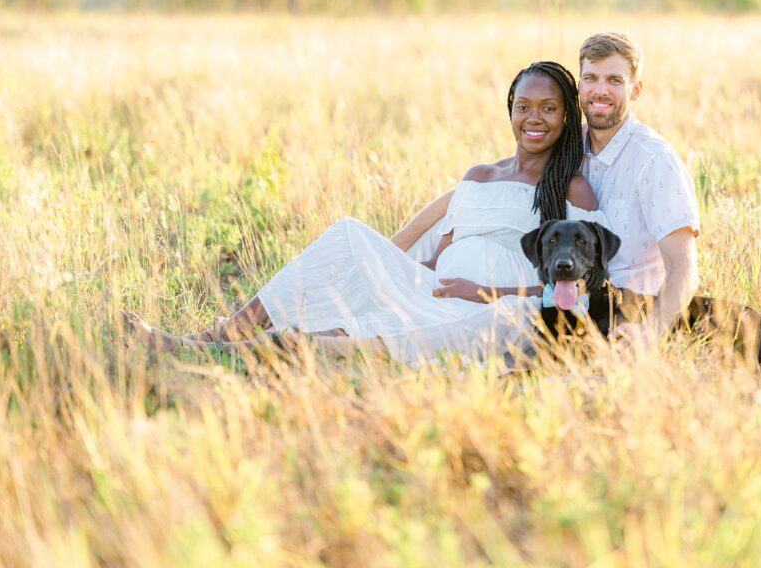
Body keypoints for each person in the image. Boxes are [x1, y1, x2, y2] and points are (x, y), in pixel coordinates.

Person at [125, 62, 607, 365]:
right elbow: (443, 254)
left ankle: (264, 350)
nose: (534, 118)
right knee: (351, 237)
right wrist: (395, 276)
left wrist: (481, 291)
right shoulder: (479, 175)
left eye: (549, 108)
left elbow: (579, 282)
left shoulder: (571, 188)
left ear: (567, 117)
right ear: (510, 111)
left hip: (496, 305)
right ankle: (221, 335)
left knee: (369, 328)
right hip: (437, 290)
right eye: (524, 106)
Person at [394, 32, 700, 344]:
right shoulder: (567, 142)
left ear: (635, 91)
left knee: (490, 329)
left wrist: (650, 333)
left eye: (614, 81)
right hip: (564, 293)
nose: (600, 90)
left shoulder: (655, 162)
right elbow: (487, 191)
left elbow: (683, 265)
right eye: (591, 78)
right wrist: (393, 249)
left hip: (622, 306)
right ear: (579, 86)